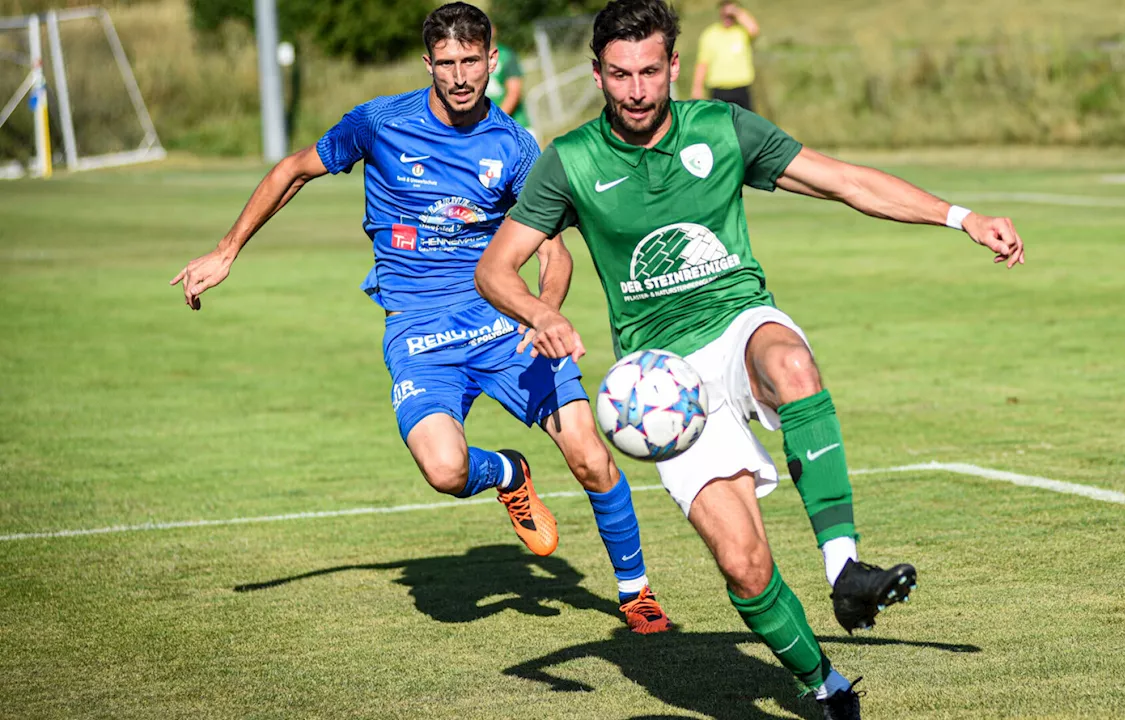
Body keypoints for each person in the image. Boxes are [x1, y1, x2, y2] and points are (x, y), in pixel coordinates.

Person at [475, 0, 1026, 715]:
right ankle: (821, 683)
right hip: (664, 382)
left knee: (793, 365)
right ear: (597, 75)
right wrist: (542, 313)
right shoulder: (571, 161)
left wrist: (963, 217)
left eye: (649, 71)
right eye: (619, 75)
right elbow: (496, 269)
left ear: (674, 65)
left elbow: (843, 180)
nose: (636, 90)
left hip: (738, 322)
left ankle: (845, 569)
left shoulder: (721, 129)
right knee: (743, 563)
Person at [170, 2, 672, 635]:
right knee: (445, 470)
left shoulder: (515, 145)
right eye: (446, 64)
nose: (460, 77)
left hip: (499, 326)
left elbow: (553, 251)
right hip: (418, 331)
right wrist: (227, 250)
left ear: (493, 60)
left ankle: (636, 593)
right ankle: (509, 472)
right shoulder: (379, 123)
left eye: (472, 62)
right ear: (428, 64)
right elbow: (295, 169)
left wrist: (542, 315)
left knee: (589, 456)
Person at [691, 0, 759, 110]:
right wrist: (697, 88)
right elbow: (702, 63)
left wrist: (736, 11)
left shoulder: (742, 32)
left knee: (744, 124)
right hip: (719, 90)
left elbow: (754, 29)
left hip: (741, 88)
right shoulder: (710, 34)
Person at [485, 24, 534, 138]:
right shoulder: (468, 59)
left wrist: (494, 122)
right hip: (487, 130)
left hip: (515, 126)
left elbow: (514, 93)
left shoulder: (506, 55)